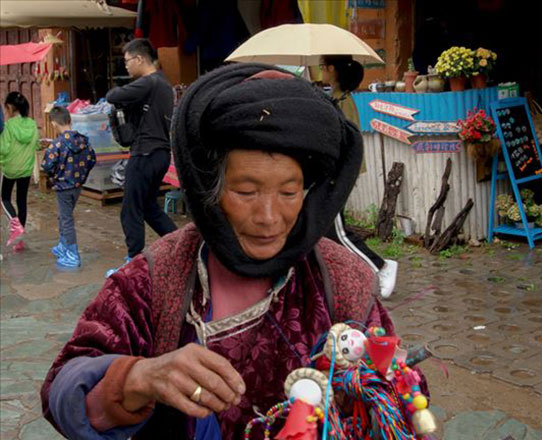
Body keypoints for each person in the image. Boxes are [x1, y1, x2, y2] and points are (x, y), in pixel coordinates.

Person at [41, 63, 421, 439]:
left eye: (289, 193)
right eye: (246, 192)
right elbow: (63, 390)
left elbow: (400, 400)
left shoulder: (341, 279)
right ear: (211, 193)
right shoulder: (155, 278)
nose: (269, 217)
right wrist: (138, 377)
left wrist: (380, 382)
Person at [320, 55, 398, 298]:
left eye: (323, 67)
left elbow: (345, 142)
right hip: (333, 172)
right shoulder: (336, 98)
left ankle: (381, 266)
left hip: (339, 172)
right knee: (325, 230)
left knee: (338, 230)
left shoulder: (343, 103)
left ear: (332, 69)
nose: (320, 71)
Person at [105, 38, 177, 277]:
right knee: (148, 207)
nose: (125, 66)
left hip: (144, 153)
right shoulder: (164, 85)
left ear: (139, 59)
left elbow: (113, 96)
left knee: (131, 210)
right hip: (160, 155)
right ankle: (180, 247)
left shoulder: (148, 82)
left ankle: (133, 264)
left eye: (126, 61)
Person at [41, 106, 97, 267]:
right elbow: (92, 159)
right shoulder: (84, 141)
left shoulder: (56, 144)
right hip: (78, 186)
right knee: (64, 216)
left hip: (62, 187)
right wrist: (82, 176)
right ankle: (63, 245)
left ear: (53, 123)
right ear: (69, 120)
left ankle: (72, 254)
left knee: (66, 219)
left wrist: (54, 176)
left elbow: (46, 166)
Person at [0, 91, 40, 252]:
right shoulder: (31, 123)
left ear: (10, 107)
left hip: (10, 168)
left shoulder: (9, 126)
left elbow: (4, 149)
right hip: (26, 168)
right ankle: (20, 241)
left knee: (4, 199)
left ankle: (15, 225)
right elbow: (36, 145)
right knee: (22, 200)